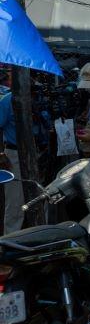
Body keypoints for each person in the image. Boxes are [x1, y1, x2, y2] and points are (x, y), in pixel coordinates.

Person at [0, 90, 23, 234]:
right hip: (14, 154)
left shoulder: (43, 96)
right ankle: (10, 240)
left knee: (44, 198)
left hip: (43, 153)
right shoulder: (8, 100)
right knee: (15, 202)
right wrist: (1, 154)